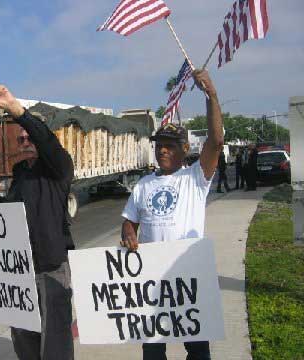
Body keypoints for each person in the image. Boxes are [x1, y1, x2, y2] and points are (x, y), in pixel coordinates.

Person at [120, 70, 223, 360]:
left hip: (189, 275)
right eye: (158, 145)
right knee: (152, 351)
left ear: (185, 149)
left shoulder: (195, 177)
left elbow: (215, 142)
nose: (162, 150)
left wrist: (211, 96)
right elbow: (130, 220)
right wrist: (128, 232)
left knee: (198, 350)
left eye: (169, 146)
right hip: (152, 281)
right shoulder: (143, 184)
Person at [0, 85, 75, 360]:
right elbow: (11, 213)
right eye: (21, 140)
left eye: (30, 138)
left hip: (51, 269)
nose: (25, 142)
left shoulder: (58, 168)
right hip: (20, 271)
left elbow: (46, 139)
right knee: (24, 338)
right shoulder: (20, 174)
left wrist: (16, 110)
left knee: (55, 343)